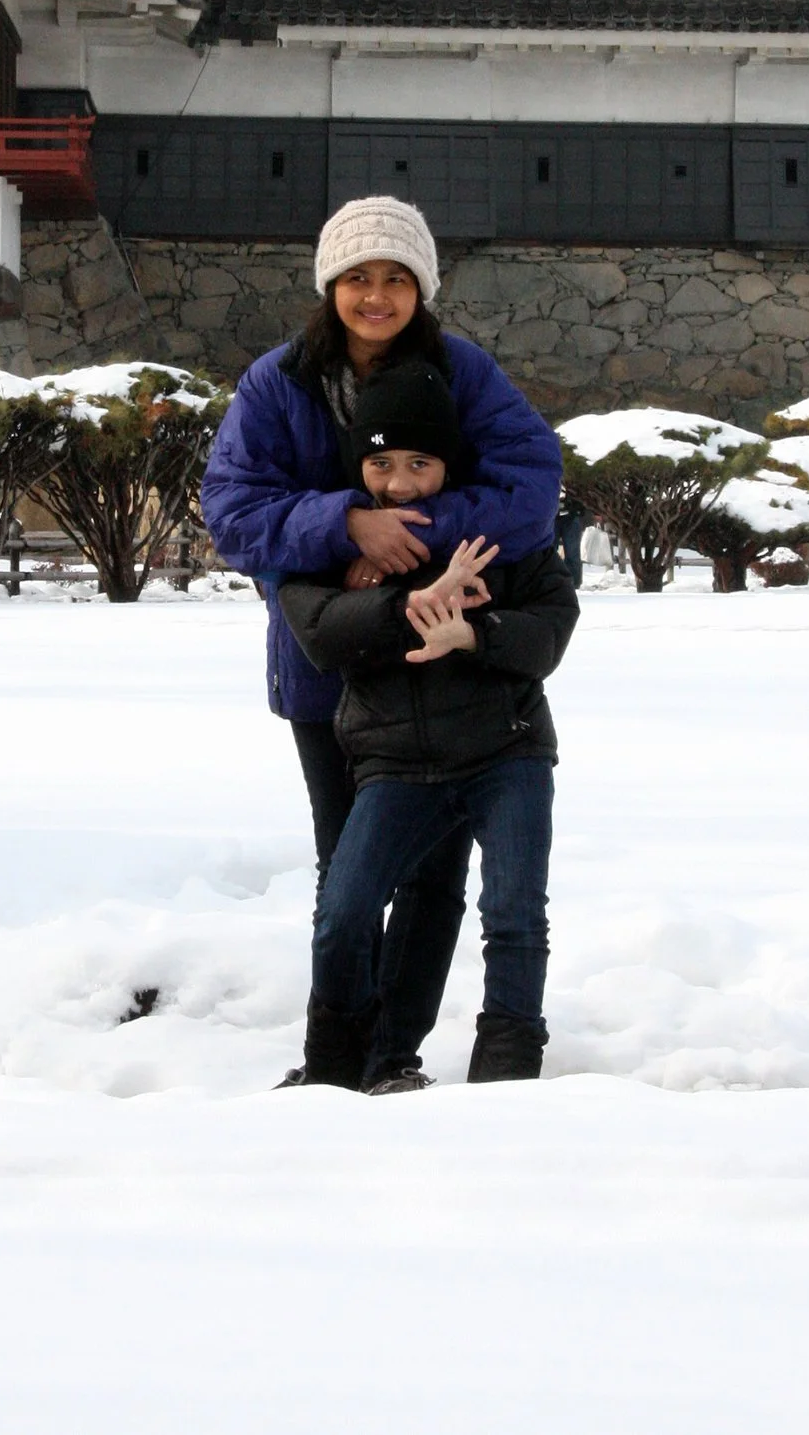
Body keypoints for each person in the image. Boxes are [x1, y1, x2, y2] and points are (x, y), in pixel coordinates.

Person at [200, 195, 560, 1092]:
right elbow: (233, 511)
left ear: (421, 287)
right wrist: (346, 524)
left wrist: (411, 533)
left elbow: (530, 486)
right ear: (330, 285)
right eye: (357, 277)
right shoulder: (276, 383)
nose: (375, 295)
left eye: (396, 278)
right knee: (347, 876)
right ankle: (338, 1056)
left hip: (445, 671)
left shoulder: (463, 371)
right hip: (328, 662)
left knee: (433, 877)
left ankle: (394, 1052)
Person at [279, 359, 578, 1088]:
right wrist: (411, 604)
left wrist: (474, 633)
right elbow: (316, 626)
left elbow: (549, 630)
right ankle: (335, 1068)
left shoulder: (497, 529)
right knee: (344, 913)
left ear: (449, 462)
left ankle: (506, 1072)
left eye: (421, 462)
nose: (401, 481)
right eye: (381, 463)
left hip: (505, 751)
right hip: (395, 763)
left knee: (514, 914)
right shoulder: (338, 539)